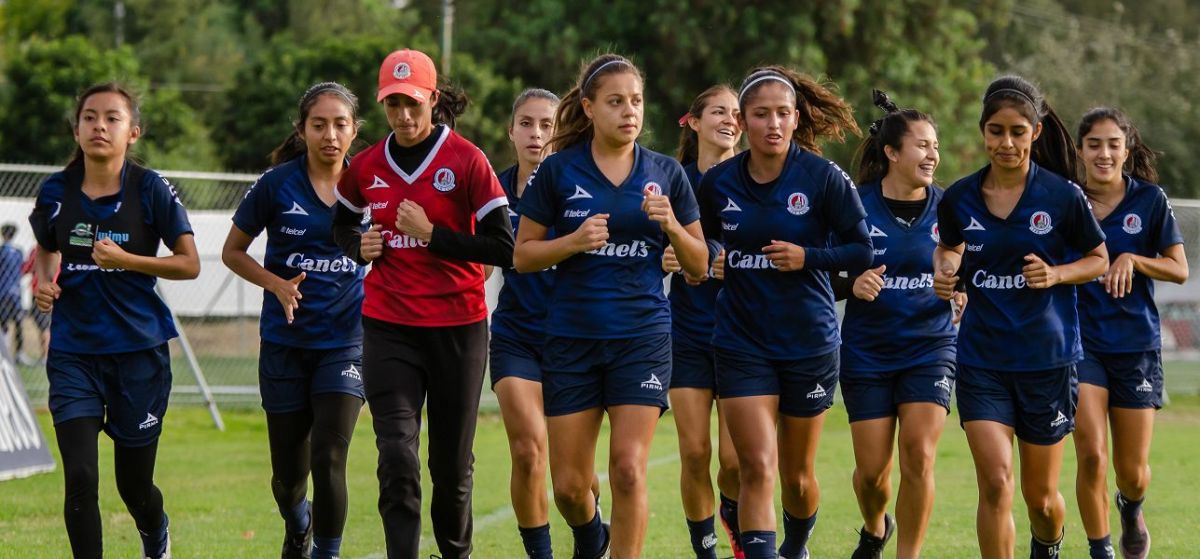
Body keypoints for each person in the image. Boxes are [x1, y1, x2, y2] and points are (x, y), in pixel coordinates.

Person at [513, 53, 709, 559]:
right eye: (616, 101)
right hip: (571, 340)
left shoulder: (666, 173)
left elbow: (700, 264)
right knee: (570, 489)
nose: (630, 111)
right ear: (588, 106)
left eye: (637, 101)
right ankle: (591, 534)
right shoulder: (557, 172)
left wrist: (669, 227)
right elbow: (524, 255)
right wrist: (572, 242)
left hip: (641, 339)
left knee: (627, 468)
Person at [331, 48, 514, 559]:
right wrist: (358, 244)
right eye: (393, 104)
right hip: (388, 327)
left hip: (459, 327)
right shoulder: (365, 166)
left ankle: (456, 552)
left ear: (433, 99)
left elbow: (505, 249)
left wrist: (434, 235)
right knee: (396, 457)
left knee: (451, 469)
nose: (404, 116)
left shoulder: (468, 160)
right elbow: (343, 223)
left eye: (413, 103)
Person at [697, 66, 871, 559]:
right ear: (743, 121)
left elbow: (862, 249)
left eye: (781, 114)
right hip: (741, 340)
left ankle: (796, 544)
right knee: (756, 465)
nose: (772, 123)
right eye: (760, 114)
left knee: (796, 477)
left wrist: (808, 257)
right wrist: (703, 253)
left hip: (808, 342)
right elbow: (703, 235)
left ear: (796, 119)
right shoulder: (720, 183)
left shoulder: (822, 177)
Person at [933, 75, 1108, 559]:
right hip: (981, 361)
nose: (1004, 142)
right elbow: (948, 247)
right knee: (994, 484)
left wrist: (1055, 275)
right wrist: (946, 272)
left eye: (1015, 131)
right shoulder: (959, 198)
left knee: (1042, 500)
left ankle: (1047, 544)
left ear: (1034, 132)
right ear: (982, 131)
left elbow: (1099, 259)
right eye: (995, 130)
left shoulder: (1062, 196)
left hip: (1046, 362)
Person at [28, 82, 200, 559]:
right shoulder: (56, 191)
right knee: (81, 477)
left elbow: (189, 264)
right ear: (77, 128)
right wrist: (45, 282)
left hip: (137, 353)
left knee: (134, 487)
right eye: (89, 117)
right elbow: (46, 246)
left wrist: (128, 259)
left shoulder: (150, 188)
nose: (99, 126)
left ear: (133, 132)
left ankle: (155, 532)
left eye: (112, 118)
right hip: (73, 353)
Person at [221, 82, 366, 559]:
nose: (330, 134)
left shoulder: (370, 184)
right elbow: (232, 252)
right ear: (302, 130)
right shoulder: (276, 184)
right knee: (288, 477)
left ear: (354, 129)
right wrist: (276, 284)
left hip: (346, 345)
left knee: (329, 455)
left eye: (340, 124)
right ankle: (297, 521)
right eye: (319, 124)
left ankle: (326, 552)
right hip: (284, 345)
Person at [837, 90, 964, 559]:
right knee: (871, 475)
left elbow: (967, 266)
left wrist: (961, 287)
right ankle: (875, 527)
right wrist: (851, 284)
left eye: (935, 146)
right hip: (867, 351)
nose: (933, 154)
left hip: (930, 348)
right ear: (892, 153)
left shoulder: (951, 207)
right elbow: (824, 271)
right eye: (922, 145)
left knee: (919, 455)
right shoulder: (853, 204)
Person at [1071, 107, 1188, 559]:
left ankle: (1130, 506)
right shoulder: (1065, 200)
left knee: (1132, 472)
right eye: (1094, 144)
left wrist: (1133, 259)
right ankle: (1101, 550)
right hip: (1080, 345)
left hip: (1136, 345)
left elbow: (1179, 268)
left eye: (1112, 144)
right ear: (1080, 150)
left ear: (1127, 149)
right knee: (1091, 455)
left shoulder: (1150, 200)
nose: (1103, 153)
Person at [665, 84, 742, 559]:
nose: (730, 119)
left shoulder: (756, 179)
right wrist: (665, 259)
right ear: (694, 122)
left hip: (744, 335)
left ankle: (739, 526)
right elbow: (648, 247)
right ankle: (707, 551)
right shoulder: (675, 180)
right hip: (688, 333)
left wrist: (738, 260)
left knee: (735, 463)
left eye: (736, 112)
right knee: (695, 453)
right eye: (718, 111)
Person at [20, 245, 54, 364]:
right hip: (47, 291)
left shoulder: (37, 251)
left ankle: (45, 356)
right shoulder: (57, 250)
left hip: (39, 292)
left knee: (44, 326)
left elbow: (26, 269)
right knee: (43, 325)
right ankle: (44, 355)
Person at [0, 222, 25, 358]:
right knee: (18, 322)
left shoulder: (1, 251)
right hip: (15, 291)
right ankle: (19, 353)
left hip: (2, 291)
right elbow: (22, 269)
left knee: (4, 322)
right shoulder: (18, 251)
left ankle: (5, 351)